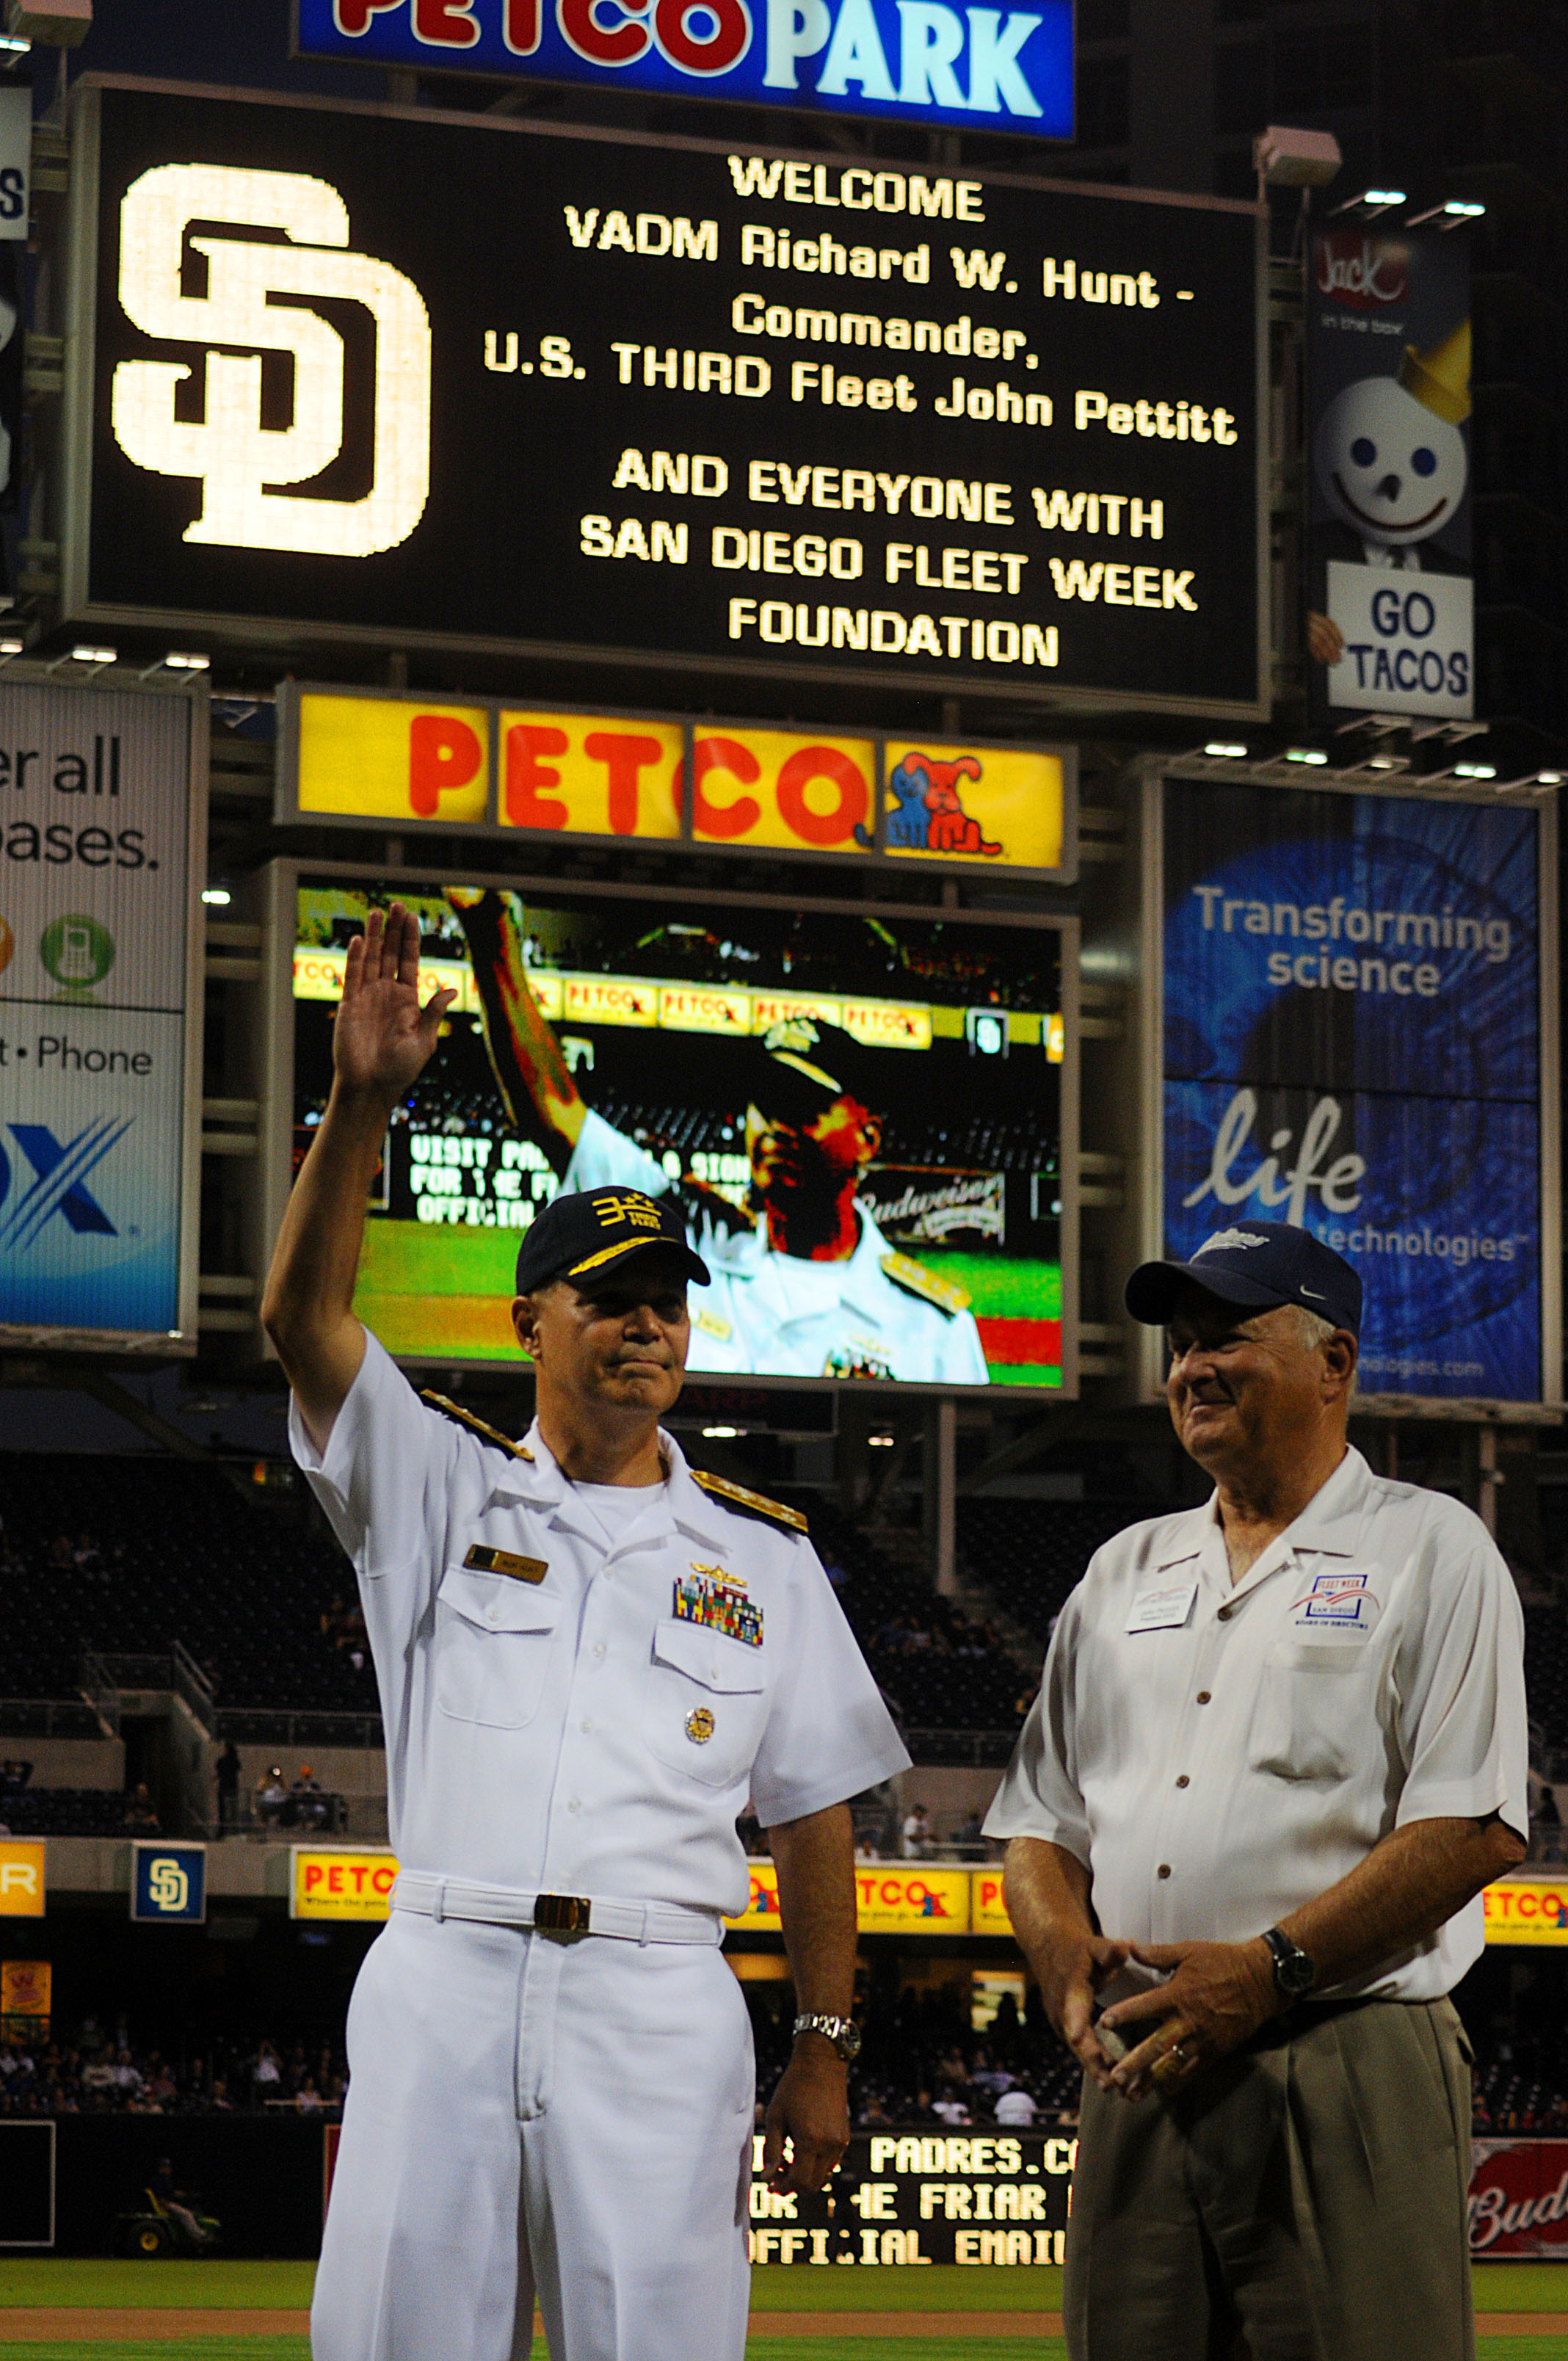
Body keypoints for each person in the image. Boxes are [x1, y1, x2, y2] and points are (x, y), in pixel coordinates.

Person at [261, 902, 908, 2361]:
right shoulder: (437, 1485)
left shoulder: (768, 1558)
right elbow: (304, 1326)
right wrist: (361, 1101)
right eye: (607, 1299)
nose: (647, 1326)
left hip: (659, 2000)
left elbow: (813, 1816)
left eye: (667, 1302)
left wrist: (822, 2044)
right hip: (446, 1978)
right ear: (527, 1322)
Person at [985, 1219, 1527, 2361]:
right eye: (1180, 1345)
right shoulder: (1121, 1569)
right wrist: (1054, 1942)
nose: (1190, 1367)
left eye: (1226, 1335)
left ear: (1335, 1362)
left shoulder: (1433, 1547)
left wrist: (1267, 1970)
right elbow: (1039, 1822)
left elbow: (1473, 1828)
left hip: (1343, 2058)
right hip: (1139, 2062)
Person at [448, 889, 990, 1384]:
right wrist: (490, 930)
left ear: (868, 1138)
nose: (775, 1127)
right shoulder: (688, 1241)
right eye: (765, 1105)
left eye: (804, 1108)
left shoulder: (935, 1327)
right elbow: (553, 1112)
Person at [214, 1741, 242, 1832]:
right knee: (233, 1808)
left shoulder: (222, 1760)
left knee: (222, 1809)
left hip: (224, 1786)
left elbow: (219, 1773)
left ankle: (222, 1829)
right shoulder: (235, 1760)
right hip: (233, 1786)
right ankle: (233, 1828)